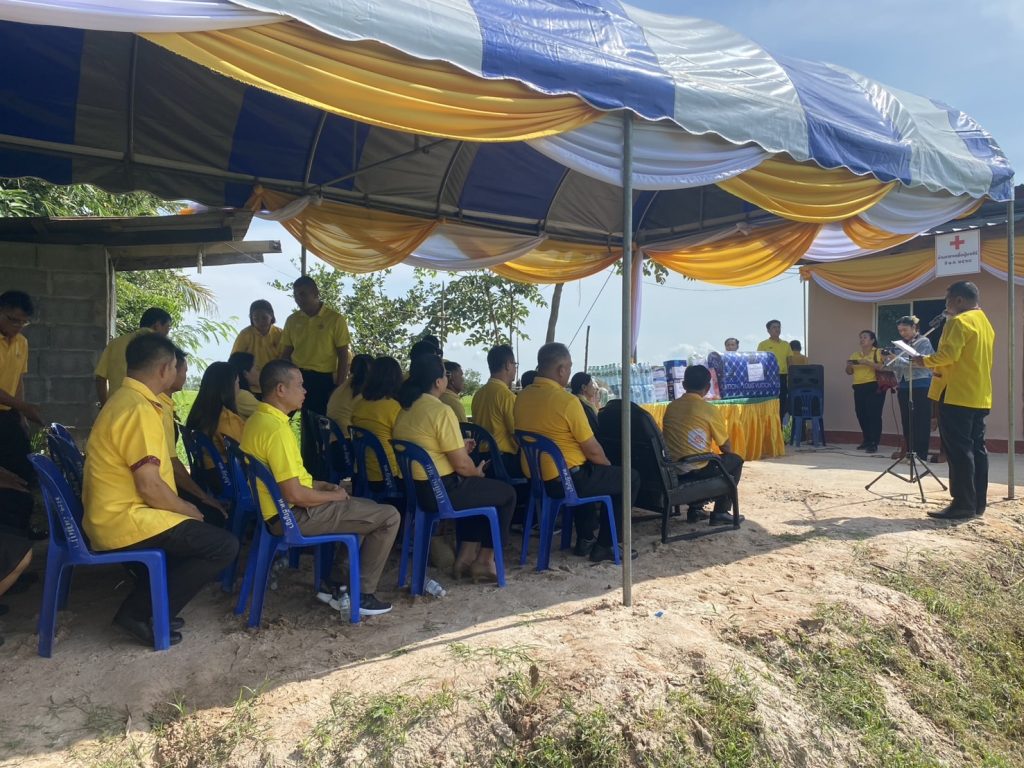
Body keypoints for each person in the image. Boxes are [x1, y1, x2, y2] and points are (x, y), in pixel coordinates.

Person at [82, 333, 238, 647]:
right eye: (177, 367)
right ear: (165, 369)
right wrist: (187, 509)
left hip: (114, 514)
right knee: (223, 545)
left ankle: (157, 605)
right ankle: (137, 612)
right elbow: (149, 485)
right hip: (124, 519)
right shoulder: (139, 410)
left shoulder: (124, 400)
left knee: (199, 535)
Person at [242, 360, 398, 615]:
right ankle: (362, 595)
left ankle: (335, 585)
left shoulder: (258, 420)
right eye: (300, 385)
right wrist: (333, 496)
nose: (305, 391)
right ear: (281, 389)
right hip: (292, 516)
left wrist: (319, 486)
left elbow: (286, 479)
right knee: (389, 516)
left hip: (277, 512)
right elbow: (294, 494)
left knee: (366, 510)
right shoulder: (276, 430)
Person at [393, 354, 516, 582]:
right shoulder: (440, 410)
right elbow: (462, 466)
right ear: (438, 382)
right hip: (439, 493)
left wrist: (460, 449)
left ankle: (465, 558)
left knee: (476, 491)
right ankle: (484, 561)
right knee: (506, 494)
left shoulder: (406, 410)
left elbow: (430, 448)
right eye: (445, 375)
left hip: (415, 492)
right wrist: (476, 471)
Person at [514, 342, 639, 562]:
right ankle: (606, 544)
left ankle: (586, 539)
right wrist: (607, 467)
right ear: (561, 369)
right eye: (570, 367)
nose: (570, 372)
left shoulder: (522, 397)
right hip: (566, 481)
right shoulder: (567, 402)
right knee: (628, 478)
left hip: (537, 481)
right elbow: (592, 450)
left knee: (587, 472)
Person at [920, 281, 994, 519]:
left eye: (948, 299)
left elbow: (948, 355)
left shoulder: (958, 322)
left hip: (955, 394)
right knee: (977, 449)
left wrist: (922, 361)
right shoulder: (984, 322)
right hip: (979, 395)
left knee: (959, 451)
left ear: (959, 300)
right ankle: (977, 503)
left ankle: (962, 504)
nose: (946, 304)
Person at [280, 276, 351, 473]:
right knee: (298, 425)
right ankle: (303, 468)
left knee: (323, 427)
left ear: (315, 293)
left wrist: (339, 386)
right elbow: (285, 353)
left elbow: (343, 355)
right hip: (298, 379)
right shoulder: (293, 320)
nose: (299, 299)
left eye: (303, 294)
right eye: (295, 295)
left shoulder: (335, 319)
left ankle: (326, 471)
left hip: (324, 379)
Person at [662, 365, 744, 524]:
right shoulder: (708, 409)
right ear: (707, 387)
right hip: (694, 469)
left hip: (671, 468)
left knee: (706, 458)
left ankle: (696, 510)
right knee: (734, 460)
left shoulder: (671, 407)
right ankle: (721, 511)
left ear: (684, 385)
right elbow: (725, 447)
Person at [163, 349, 229, 527]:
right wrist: (203, 497)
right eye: (184, 371)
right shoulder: (157, 408)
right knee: (215, 519)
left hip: (184, 480)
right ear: (167, 371)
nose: (186, 377)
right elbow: (171, 463)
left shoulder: (167, 405)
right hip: (165, 486)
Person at [0, 291, 42, 536]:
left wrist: (21, 414)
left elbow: (18, 381)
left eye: (23, 323)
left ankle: (21, 534)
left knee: (22, 474)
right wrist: (25, 407)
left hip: (9, 417)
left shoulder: (21, 343)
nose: (16, 326)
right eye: (12, 320)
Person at [184, 362, 246, 490]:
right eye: (237, 383)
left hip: (205, 475)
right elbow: (244, 453)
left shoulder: (199, 413)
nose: (239, 388)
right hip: (228, 479)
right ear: (228, 387)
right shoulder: (227, 418)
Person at [95, 307, 172, 405]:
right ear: (157, 326)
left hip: (116, 406)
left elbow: (100, 378)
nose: (167, 333)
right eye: (167, 327)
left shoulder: (115, 344)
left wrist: (105, 406)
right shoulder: (161, 348)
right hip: (146, 407)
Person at [351, 356, 404, 495]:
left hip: (363, 474)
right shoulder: (394, 408)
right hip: (389, 476)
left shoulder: (358, 405)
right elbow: (404, 443)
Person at [883, 316, 933, 461]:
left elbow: (922, 362)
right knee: (907, 421)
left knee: (921, 421)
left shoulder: (923, 342)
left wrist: (897, 358)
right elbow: (896, 366)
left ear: (914, 328)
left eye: (905, 330)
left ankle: (921, 455)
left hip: (920, 384)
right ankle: (910, 453)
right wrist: (887, 359)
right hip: (904, 385)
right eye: (900, 330)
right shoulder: (900, 345)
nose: (902, 333)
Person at [472, 345, 521, 480]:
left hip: (481, 460)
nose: (515, 368)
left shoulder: (479, 394)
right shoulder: (506, 396)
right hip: (503, 463)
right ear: (508, 365)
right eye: (515, 364)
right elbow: (517, 434)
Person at [230, 299, 282, 396]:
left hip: (273, 384)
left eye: (264, 318)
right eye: (256, 319)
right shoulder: (245, 334)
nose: (260, 322)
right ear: (251, 319)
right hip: (250, 386)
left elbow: (284, 358)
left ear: (271, 315)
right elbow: (235, 359)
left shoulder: (280, 334)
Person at [845, 330, 885, 454]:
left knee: (874, 414)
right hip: (858, 386)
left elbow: (883, 367)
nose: (862, 340)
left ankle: (874, 442)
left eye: (865, 337)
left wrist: (866, 362)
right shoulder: (855, 354)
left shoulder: (878, 352)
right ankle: (867, 440)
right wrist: (849, 366)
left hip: (874, 386)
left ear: (872, 340)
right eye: (860, 337)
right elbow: (849, 372)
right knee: (861, 414)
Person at [326, 353, 372, 432]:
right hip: (348, 436)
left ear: (351, 368)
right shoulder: (363, 393)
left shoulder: (341, 388)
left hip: (332, 436)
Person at [757, 319, 790, 418]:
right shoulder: (763, 344)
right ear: (768, 330)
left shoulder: (786, 344)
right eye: (774, 327)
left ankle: (779, 425)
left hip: (782, 377)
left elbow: (790, 361)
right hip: (769, 378)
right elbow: (759, 362)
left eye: (778, 327)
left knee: (782, 402)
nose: (777, 329)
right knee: (770, 402)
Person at [228, 352, 260, 418]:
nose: (259, 372)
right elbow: (272, 415)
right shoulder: (242, 396)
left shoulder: (235, 394)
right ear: (245, 373)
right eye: (257, 369)